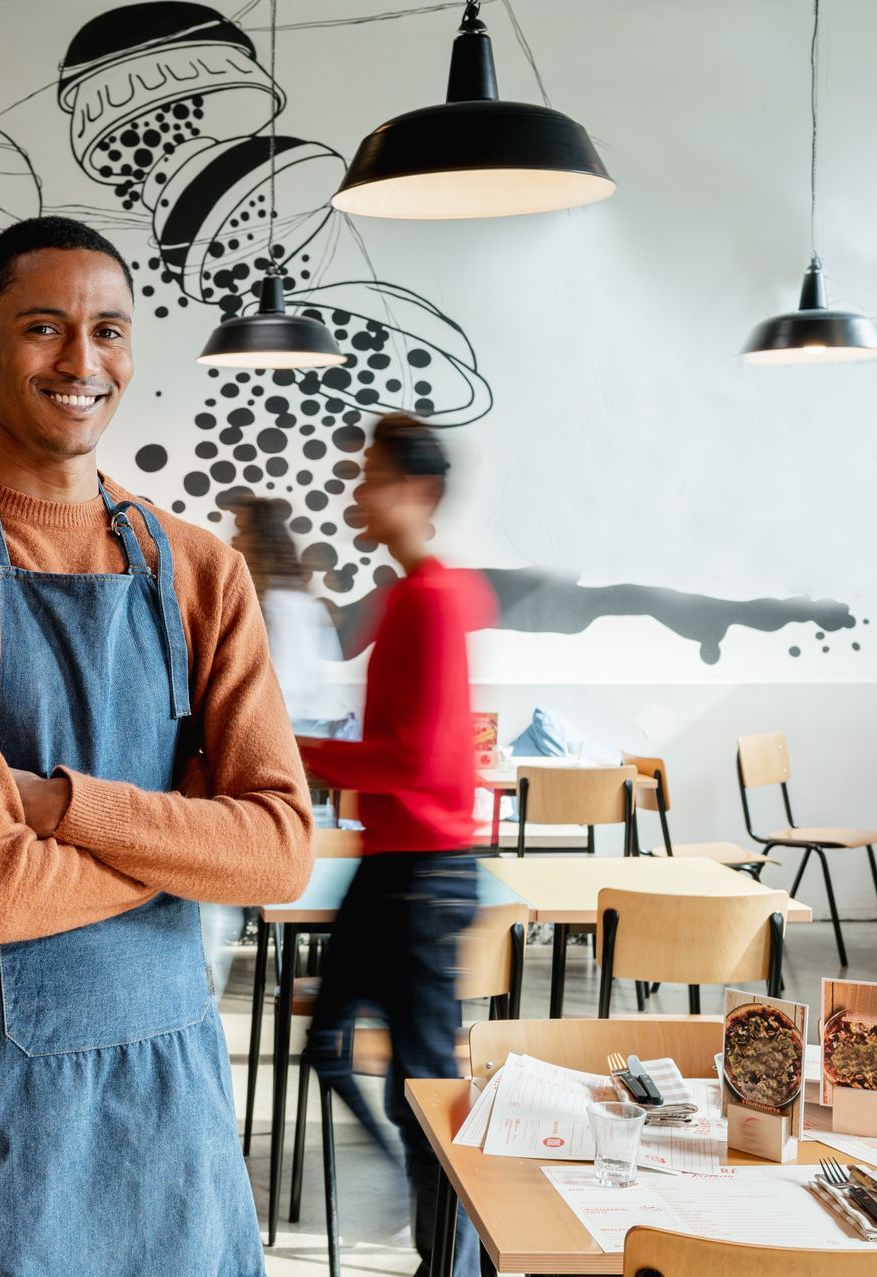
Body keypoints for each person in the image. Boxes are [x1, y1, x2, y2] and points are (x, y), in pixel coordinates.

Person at [0, 215, 314, 1275]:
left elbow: (280, 850)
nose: (81, 361)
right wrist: (188, 845)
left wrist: (53, 807)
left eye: (109, 330)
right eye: (44, 328)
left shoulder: (200, 569)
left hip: (174, 1079)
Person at [298, 413, 497, 1277]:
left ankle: (448, 1249)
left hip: (418, 875)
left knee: (416, 1082)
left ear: (419, 493)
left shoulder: (424, 600)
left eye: (372, 476)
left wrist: (289, 746)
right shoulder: (428, 595)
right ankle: (433, 1227)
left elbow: (411, 759)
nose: (356, 492)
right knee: (339, 1048)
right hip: (401, 868)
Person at [232, 494, 354, 737]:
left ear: (260, 540)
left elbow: (288, 692)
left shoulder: (285, 606)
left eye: (242, 530)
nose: (234, 539)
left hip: (308, 736)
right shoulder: (279, 599)